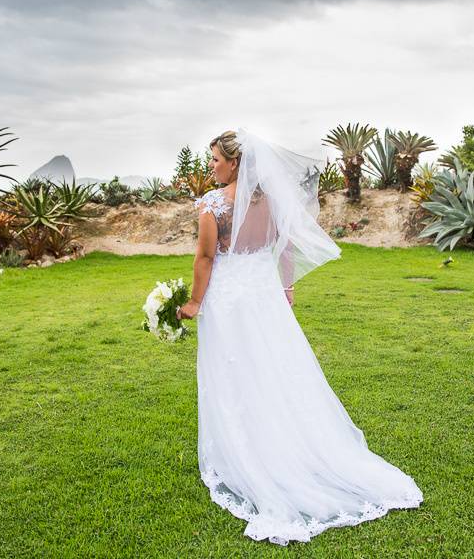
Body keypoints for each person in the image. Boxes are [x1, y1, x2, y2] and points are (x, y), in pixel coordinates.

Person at [176, 128, 423, 546]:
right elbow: (285, 247)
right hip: (264, 298)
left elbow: (205, 257)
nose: (211, 166)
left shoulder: (212, 205)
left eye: (216, 159)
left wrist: (194, 303)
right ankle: (288, 442)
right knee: (275, 369)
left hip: (229, 304)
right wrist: (286, 289)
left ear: (236, 162)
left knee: (234, 374)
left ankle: (248, 454)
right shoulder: (273, 203)